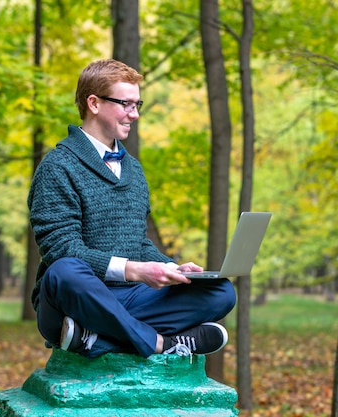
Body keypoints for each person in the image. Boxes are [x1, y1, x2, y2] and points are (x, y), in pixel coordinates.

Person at [27, 59, 236, 359]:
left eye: (138, 105)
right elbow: (62, 249)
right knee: (64, 270)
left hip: (129, 299)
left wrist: (172, 269)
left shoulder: (133, 170)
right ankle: (162, 344)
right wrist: (133, 270)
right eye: (126, 104)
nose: (134, 114)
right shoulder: (57, 167)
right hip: (73, 300)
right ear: (94, 103)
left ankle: (95, 339)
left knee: (221, 292)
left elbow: (137, 243)